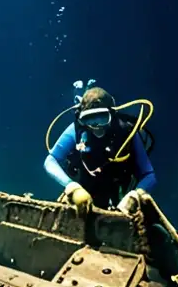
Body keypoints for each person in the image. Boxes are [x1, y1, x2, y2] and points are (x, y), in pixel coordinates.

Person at [44, 85, 155, 215]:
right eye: (89, 119)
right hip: (83, 194)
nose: (96, 126)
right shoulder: (77, 131)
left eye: (102, 118)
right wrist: (71, 187)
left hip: (120, 197)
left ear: (112, 114)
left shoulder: (126, 132)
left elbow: (149, 174)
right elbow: (50, 161)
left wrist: (135, 196)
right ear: (81, 118)